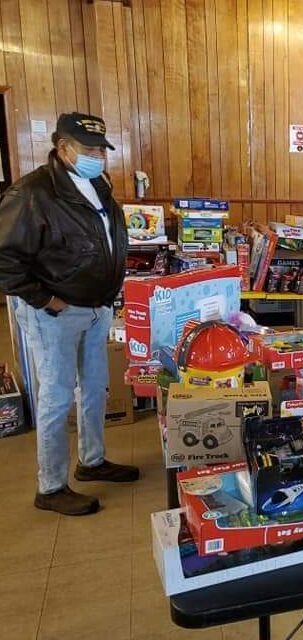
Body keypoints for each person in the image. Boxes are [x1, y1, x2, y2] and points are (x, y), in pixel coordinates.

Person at [0, 113, 139, 516]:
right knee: (56, 397)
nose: (98, 157)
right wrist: (45, 300)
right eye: (89, 150)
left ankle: (92, 460)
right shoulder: (31, 193)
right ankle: (51, 486)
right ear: (63, 148)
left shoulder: (97, 183)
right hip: (55, 313)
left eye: (101, 150)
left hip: (95, 307)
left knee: (94, 388)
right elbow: (5, 259)